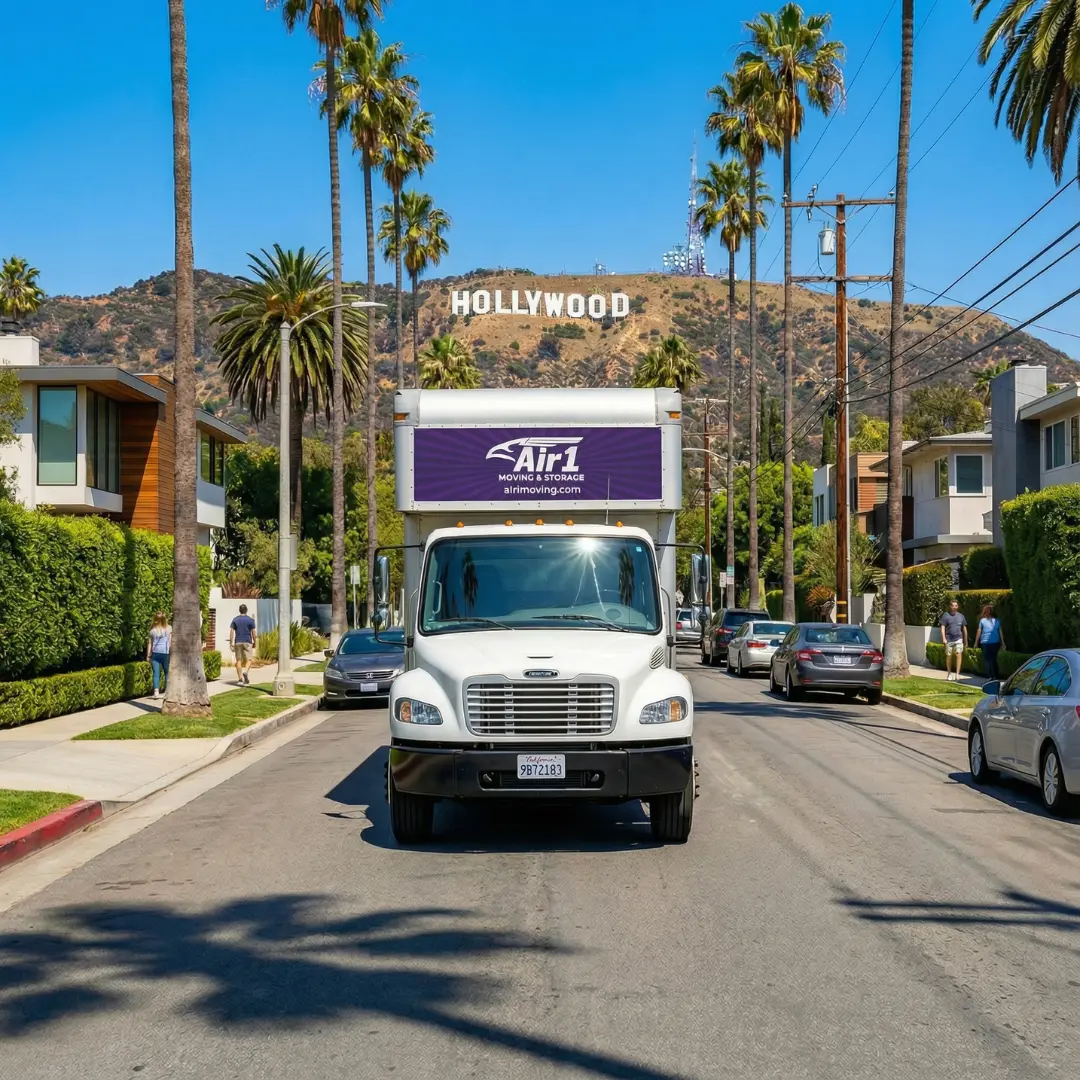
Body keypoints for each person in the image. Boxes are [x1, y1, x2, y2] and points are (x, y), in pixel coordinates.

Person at [974, 603, 1005, 681]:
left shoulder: (996, 621)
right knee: (989, 659)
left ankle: (993, 675)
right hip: (986, 642)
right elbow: (979, 631)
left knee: (991, 659)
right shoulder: (983, 621)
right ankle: (991, 675)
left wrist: (1003, 642)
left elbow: (1000, 631)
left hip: (993, 643)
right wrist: (976, 642)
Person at [940, 599, 968, 682]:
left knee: (958, 654)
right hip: (949, 639)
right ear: (950, 606)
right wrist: (944, 638)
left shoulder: (961, 616)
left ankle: (957, 674)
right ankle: (949, 673)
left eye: (956, 606)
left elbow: (964, 628)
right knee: (949, 656)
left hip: (959, 638)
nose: (955, 607)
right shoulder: (946, 615)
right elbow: (942, 627)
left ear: (957, 607)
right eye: (953, 606)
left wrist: (965, 640)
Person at [229, 604, 257, 685]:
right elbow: (253, 632)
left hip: (238, 642)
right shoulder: (250, 620)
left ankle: (240, 678)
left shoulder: (235, 620)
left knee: (238, 660)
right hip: (247, 642)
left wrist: (230, 643)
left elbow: (231, 631)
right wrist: (255, 641)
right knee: (249, 659)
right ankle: (245, 672)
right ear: (246, 610)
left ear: (239, 610)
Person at [146, 611, 172, 700]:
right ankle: (167, 691)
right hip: (165, 653)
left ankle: (156, 692)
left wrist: (148, 655)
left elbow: (150, 643)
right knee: (167, 672)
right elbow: (170, 642)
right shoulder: (169, 629)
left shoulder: (152, 631)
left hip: (155, 654)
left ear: (155, 620)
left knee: (156, 673)